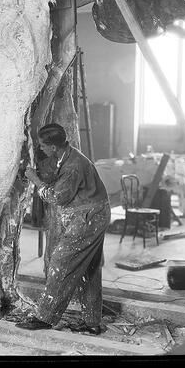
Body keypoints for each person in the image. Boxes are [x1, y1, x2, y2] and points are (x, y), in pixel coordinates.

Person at [16, 123, 110, 333]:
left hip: (88, 217)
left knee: (60, 263)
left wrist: (36, 181)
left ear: (54, 147)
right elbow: (55, 172)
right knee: (89, 268)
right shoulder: (66, 155)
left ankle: (45, 317)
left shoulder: (73, 166)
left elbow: (57, 197)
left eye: (42, 146)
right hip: (95, 212)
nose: (40, 149)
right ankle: (92, 322)